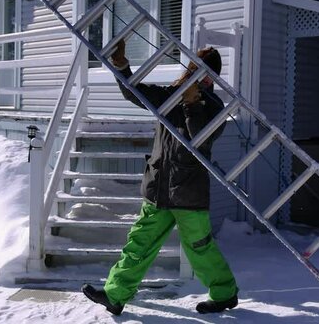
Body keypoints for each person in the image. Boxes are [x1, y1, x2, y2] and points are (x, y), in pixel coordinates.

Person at [81, 40, 239, 316]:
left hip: (188, 192)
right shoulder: (172, 95)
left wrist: (192, 105)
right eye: (193, 68)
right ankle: (115, 295)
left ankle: (224, 293)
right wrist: (123, 67)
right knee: (139, 243)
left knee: (200, 249)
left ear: (212, 76)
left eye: (203, 71)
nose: (197, 75)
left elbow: (199, 140)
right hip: (158, 188)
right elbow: (137, 93)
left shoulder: (215, 107)